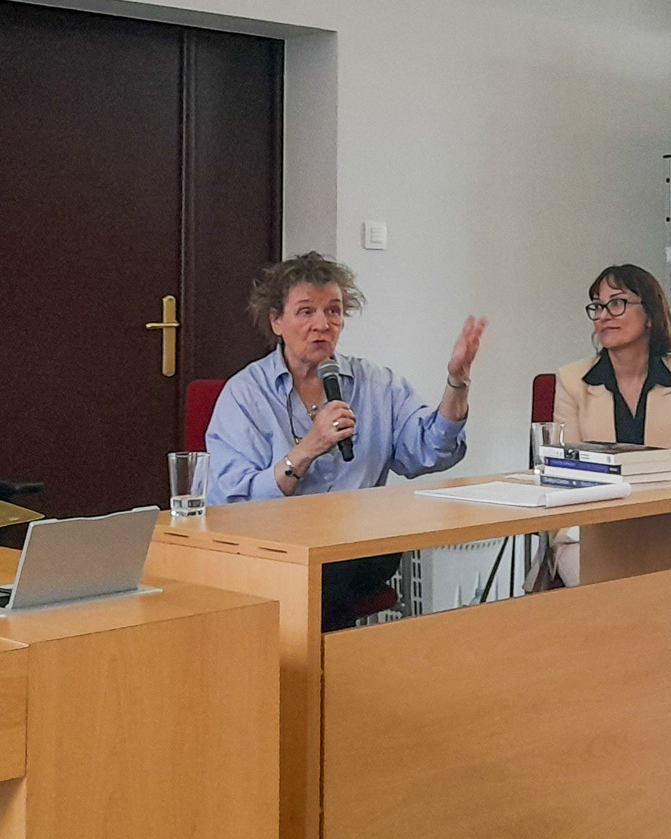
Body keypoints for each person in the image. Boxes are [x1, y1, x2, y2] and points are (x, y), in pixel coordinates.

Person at [205, 251, 486, 628]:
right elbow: (231, 501)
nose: (322, 324)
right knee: (314, 575)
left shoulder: (375, 383)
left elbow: (430, 449)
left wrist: (457, 382)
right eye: (306, 312)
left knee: (331, 568)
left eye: (333, 311)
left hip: (358, 547)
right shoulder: (244, 395)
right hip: (273, 546)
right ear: (276, 321)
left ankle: (317, 674)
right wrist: (307, 449)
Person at [537, 263, 671, 587]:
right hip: (590, 530)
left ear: (650, 314)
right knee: (611, 601)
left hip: (666, 527)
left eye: (617, 303)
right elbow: (567, 477)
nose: (604, 315)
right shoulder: (572, 380)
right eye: (598, 306)